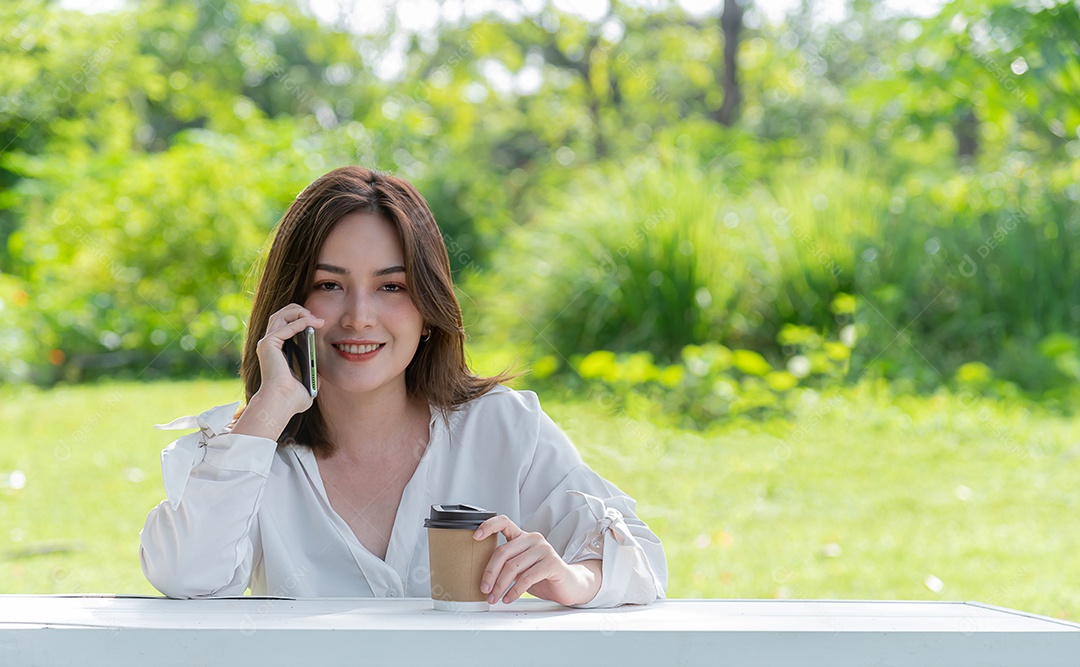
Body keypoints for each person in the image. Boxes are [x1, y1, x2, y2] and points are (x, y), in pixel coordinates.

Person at [139, 166, 667, 607]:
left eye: (391, 286)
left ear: (428, 309)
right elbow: (188, 577)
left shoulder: (501, 427)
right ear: (290, 304)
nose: (360, 317)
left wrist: (571, 579)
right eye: (329, 286)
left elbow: (643, 560)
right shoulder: (244, 450)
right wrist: (269, 409)